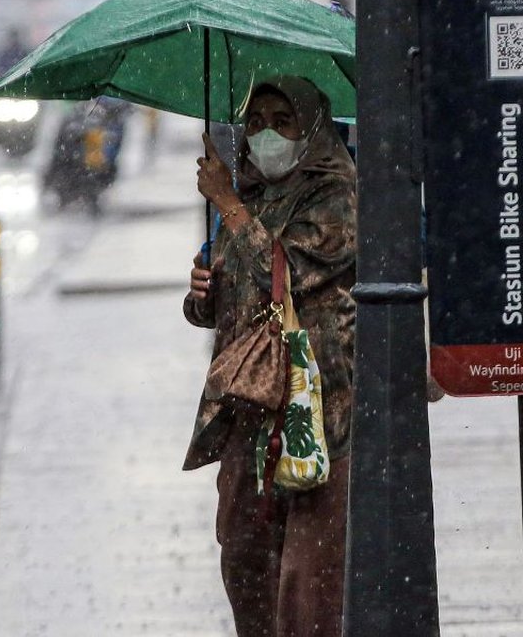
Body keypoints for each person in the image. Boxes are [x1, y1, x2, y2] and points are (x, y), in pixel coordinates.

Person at [183, 75, 356, 637]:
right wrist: (202, 292)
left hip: (314, 413)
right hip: (249, 410)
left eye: (283, 122)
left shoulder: (337, 195)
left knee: (307, 581)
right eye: (256, 122)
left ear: (311, 128)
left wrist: (229, 205)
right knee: (244, 558)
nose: (267, 135)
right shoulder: (250, 196)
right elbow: (231, 301)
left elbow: (288, 276)